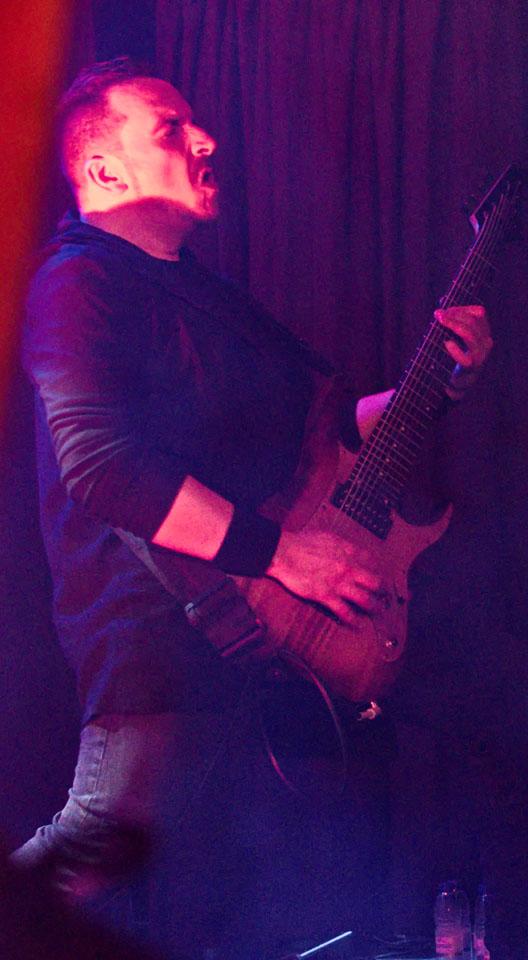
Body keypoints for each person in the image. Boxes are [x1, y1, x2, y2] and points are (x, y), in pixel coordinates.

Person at [11, 57, 492, 947]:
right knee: (80, 867)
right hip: (160, 639)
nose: (205, 139)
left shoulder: (205, 294)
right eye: (170, 128)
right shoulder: (75, 282)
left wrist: (437, 383)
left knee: (229, 900)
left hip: (258, 644)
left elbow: (325, 435)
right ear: (104, 170)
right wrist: (284, 554)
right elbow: (101, 466)